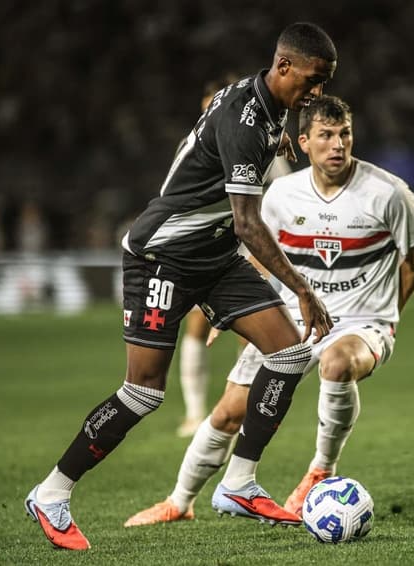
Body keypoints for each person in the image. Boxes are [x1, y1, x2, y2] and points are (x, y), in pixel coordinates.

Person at [24, 22, 337, 550]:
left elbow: (220, 111)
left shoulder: (264, 101)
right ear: (284, 67)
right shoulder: (246, 119)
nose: (318, 92)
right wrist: (300, 287)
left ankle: (238, 483)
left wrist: (270, 135)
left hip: (212, 257)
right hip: (161, 258)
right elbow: (247, 222)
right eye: (313, 79)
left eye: (325, 82)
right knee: (143, 392)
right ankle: (51, 493)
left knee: (289, 352)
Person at [123, 95, 414, 527]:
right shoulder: (282, 194)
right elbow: (256, 256)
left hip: (362, 323)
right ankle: (179, 501)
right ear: (304, 142)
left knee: (338, 363)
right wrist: (226, 310)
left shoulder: (390, 194)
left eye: (344, 134)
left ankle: (320, 470)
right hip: (294, 318)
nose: (337, 145)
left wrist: (388, 315)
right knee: (230, 410)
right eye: (325, 136)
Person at [177, 75, 292, 438]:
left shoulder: (258, 138)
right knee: (194, 326)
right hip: (211, 241)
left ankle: (245, 413)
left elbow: (281, 196)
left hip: (251, 239)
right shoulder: (195, 142)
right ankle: (195, 413)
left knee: (252, 332)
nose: (212, 113)